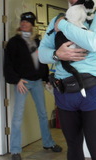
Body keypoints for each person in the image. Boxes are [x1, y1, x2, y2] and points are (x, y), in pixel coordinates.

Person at [38, 0, 96, 160]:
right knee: (73, 148)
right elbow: (42, 54)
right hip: (65, 91)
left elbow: (94, 42)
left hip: (94, 88)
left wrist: (63, 25)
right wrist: (57, 54)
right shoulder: (57, 19)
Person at [4, 12, 62, 160]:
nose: (24, 23)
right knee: (17, 117)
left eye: (27, 22)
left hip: (37, 82)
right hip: (22, 82)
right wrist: (16, 80)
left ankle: (48, 143)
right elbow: (8, 64)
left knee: (43, 114)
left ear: (32, 25)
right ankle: (15, 150)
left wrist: (46, 78)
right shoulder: (13, 42)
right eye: (22, 21)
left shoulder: (37, 41)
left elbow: (41, 61)